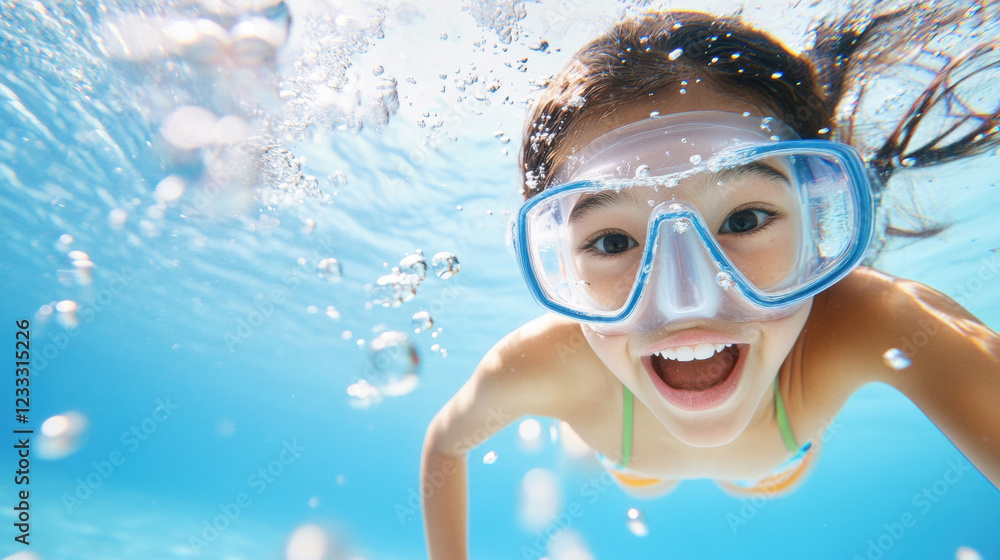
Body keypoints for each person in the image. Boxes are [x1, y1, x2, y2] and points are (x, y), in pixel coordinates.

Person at [421, 7, 1000, 558]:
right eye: (613, 242)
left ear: (817, 227)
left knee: (757, 481)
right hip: (631, 455)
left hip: (770, 465)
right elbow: (444, 447)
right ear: (563, 268)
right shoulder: (546, 362)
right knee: (632, 474)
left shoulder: (875, 318)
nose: (687, 300)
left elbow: (446, 445)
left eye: (744, 220)